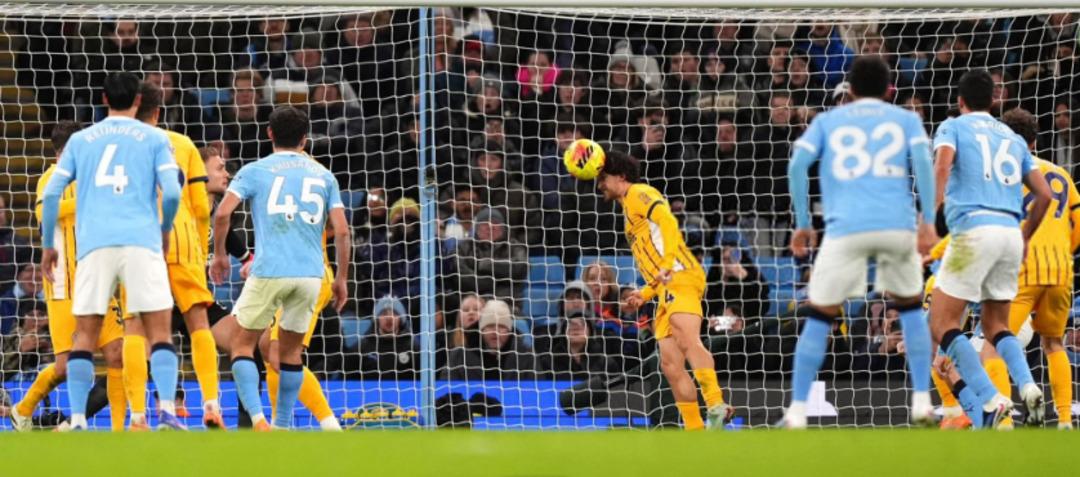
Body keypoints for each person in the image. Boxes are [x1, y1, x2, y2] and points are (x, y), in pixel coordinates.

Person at [782, 56, 938, 428]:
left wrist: (804, 223)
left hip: (844, 229)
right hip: (896, 226)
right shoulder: (906, 119)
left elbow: (796, 166)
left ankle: (798, 411)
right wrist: (928, 221)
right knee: (912, 310)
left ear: (849, 90)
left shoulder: (827, 120)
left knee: (819, 317)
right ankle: (920, 402)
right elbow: (924, 164)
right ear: (889, 90)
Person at [39, 72, 183, 431]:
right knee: (159, 331)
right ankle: (166, 412)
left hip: (94, 246)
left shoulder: (81, 140)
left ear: (103, 99)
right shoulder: (155, 137)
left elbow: (53, 194)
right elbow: (174, 191)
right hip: (141, 242)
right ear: (138, 100)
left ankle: (75, 419)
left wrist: (46, 246)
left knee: (85, 335)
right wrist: (165, 230)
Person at [211, 106, 350, 431]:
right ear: (305, 139)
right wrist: (342, 278)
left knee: (241, 344)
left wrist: (220, 255)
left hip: (270, 270)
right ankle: (284, 426)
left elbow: (221, 215)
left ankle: (259, 420)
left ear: (269, 134)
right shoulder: (323, 174)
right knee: (286, 354)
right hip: (311, 276)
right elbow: (342, 231)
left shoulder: (255, 170)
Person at [928, 69, 1052, 429]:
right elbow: (1044, 195)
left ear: (959, 100)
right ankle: (1027, 386)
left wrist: (928, 216)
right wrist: (1027, 236)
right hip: (1010, 234)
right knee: (997, 324)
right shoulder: (1012, 137)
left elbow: (943, 163)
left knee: (941, 323)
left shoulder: (953, 125)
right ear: (994, 100)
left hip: (973, 231)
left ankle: (992, 399)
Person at [10, 121, 130, 433]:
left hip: (101, 282)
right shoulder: (52, 177)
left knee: (119, 354)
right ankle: (23, 408)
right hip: (64, 285)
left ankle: (120, 432)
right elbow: (41, 213)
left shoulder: (95, 178)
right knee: (66, 366)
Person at [599, 150, 733, 430]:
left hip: (680, 275)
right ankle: (696, 429)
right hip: (662, 289)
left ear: (621, 177)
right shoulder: (627, 210)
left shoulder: (639, 192)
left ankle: (716, 403)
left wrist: (669, 263)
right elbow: (651, 257)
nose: (600, 184)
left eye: (603, 177)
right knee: (670, 365)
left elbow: (668, 220)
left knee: (685, 336)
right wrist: (645, 293)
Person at [132, 82, 223, 429]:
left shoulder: (123, 145)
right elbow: (201, 207)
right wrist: (200, 251)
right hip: (183, 241)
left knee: (139, 328)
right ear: (159, 110)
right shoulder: (183, 144)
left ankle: (142, 412)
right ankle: (211, 403)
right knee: (198, 322)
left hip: (140, 240)